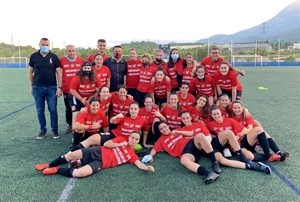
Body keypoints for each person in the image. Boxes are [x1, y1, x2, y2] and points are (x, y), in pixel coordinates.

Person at [35, 132, 155, 177]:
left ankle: (56, 169)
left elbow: (139, 164)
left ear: (138, 142)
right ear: (129, 137)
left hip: (101, 163)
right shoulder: (120, 140)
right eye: (132, 138)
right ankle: (49, 164)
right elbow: (107, 144)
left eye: (136, 139)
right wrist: (120, 144)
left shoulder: (132, 155)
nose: (133, 140)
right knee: (70, 155)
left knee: (79, 173)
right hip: (97, 151)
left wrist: (147, 167)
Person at [142, 121, 220, 184]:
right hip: (187, 152)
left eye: (165, 127)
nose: (164, 129)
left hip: (192, 143)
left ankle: (215, 162)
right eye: (161, 129)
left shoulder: (177, 130)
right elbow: (154, 149)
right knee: (183, 160)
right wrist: (150, 156)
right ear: (160, 131)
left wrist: (179, 132)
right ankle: (209, 173)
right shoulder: (161, 140)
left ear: (168, 126)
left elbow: (191, 134)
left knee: (200, 135)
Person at [206, 105, 272, 174]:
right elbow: (207, 136)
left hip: (235, 144)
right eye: (214, 114)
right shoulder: (209, 125)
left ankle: (262, 159)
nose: (216, 116)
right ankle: (253, 164)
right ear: (211, 115)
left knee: (249, 153)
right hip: (219, 147)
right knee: (223, 161)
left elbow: (245, 130)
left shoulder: (229, 120)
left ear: (221, 113)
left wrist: (238, 136)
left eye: (218, 113)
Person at [28, 37, 62, 139]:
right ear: (39, 44)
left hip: (51, 87)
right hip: (37, 87)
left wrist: (59, 87)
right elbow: (30, 71)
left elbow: (59, 73)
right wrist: (31, 85)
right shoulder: (34, 56)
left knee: (53, 110)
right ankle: (43, 130)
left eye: (47, 45)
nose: (45, 46)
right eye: (43, 44)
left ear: (49, 45)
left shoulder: (54, 57)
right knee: (40, 110)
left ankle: (55, 130)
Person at [69, 61, 102, 127]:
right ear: (82, 69)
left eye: (88, 68)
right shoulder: (77, 77)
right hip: (77, 97)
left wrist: (91, 98)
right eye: (85, 68)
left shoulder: (95, 77)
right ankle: (75, 133)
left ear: (91, 69)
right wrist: (81, 99)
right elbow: (72, 90)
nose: (87, 70)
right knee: (76, 114)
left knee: (92, 111)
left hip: (90, 97)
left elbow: (100, 89)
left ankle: (90, 129)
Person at [60, 44, 84, 133]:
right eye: (69, 51)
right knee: (68, 108)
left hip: (78, 90)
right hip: (67, 89)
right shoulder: (61, 60)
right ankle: (69, 124)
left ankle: (79, 124)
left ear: (75, 51)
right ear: (66, 51)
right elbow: (58, 72)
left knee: (78, 108)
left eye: (73, 50)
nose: (71, 53)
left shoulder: (81, 60)